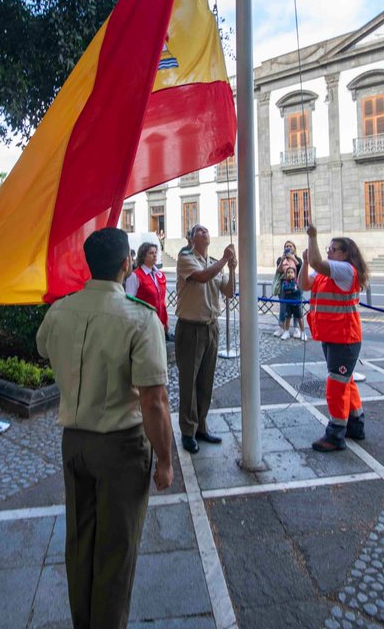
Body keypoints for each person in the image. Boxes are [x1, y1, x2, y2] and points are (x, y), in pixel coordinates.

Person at [36, 227, 172, 629]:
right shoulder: (139, 318)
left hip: (74, 442)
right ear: (127, 263)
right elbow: (154, 400)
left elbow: (44, 348)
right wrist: (165, 459)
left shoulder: (60, 310)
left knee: (79, 543)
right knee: (116, 549)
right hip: (120, 445)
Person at [299, 222, 369, 452]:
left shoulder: (345, 270)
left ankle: (336, 434)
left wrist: (313, 236)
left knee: (336, 386)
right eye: (328, 248)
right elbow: (304, 284)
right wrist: (305, 261)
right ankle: (355, 424)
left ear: (346, 254)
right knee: (345, 381)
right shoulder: (328, 271)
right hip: (334, 336)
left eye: (334, 249)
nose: (329, 251)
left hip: (344, 338)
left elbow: (319, 263)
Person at [174, 224, 236, 454]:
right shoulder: (185, 258)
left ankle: (201, 425)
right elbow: (201, 277)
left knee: (206, 381)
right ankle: (187, 431)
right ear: (191, 238)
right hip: (190, 328)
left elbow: (228, 292)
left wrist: (231, 269)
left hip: (211, 327)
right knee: (188, 382)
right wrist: (223, 260)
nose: (204, 233)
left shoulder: (212, 262)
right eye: (199, 231)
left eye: (206, 231)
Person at [124, 241, 168, 332]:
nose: (155, 255)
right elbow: (129, 302)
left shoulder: (160, 275)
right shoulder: (135, 276)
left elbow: (162, 300)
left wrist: (165, 319)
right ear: (143, 256)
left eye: (156, 252)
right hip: (144, 324)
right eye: (151, 253)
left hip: (160, 322)